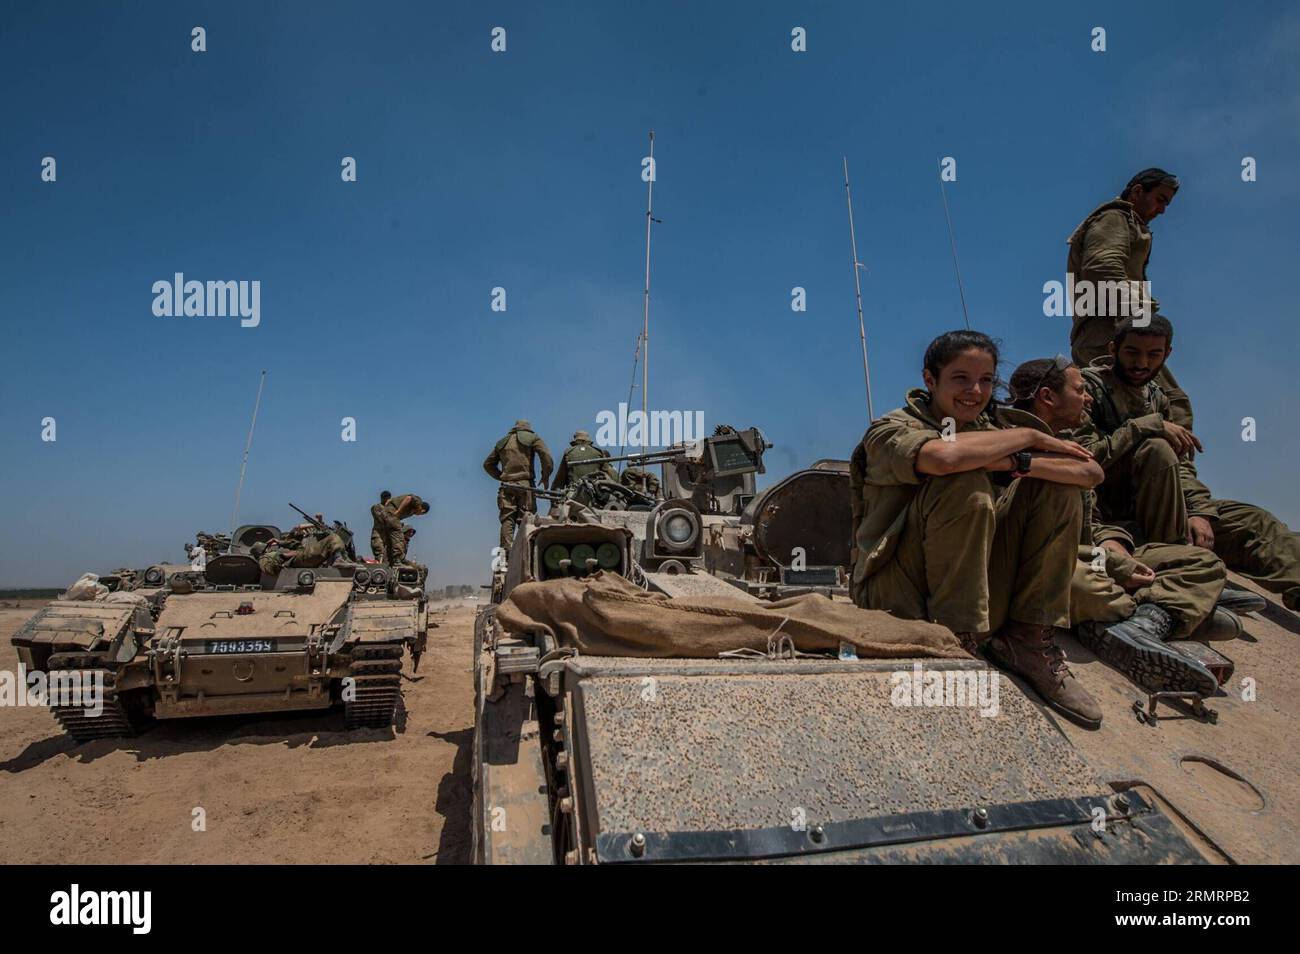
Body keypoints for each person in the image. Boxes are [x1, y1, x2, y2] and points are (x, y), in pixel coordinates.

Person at [850, 330, 1104, 728]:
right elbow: (944, 459)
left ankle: (1027, 638)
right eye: (960, 378)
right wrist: (1031, 437)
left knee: (1061, 489)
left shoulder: (994, 426)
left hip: (976, 584)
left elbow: (1089, 471)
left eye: (986, 380)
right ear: (930, 380)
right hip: (897, 592)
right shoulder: (891, 429)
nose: (975, 391)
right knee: (964, 484)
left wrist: (1018, 463)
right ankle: (954, 644)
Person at [1008, 357, 1236, 696]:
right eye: (1080, 390)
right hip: (1050, 564)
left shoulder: (1070, 438)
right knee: (1087, 587)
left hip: (1090, 554)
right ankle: (1163, 611)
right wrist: (1112, 563)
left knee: (1202, 563)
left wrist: (1113, 546)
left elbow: (1091, 519)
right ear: (1047, 397)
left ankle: (1146, 622)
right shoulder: (1013, 442)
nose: (1087, 398)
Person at [1074, 316, 1300, 612]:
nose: (1142, 363)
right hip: (1109, 512)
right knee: (1156, 450)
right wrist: (1144, 427)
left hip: (1161, 505)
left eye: (1153, 355)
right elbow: (1083, 456)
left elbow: (1180, 467)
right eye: (1132, 352)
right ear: (1114, 349)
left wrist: (1199, 511)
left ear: (1167, 355)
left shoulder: (1157, 396)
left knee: (1255, 522)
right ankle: (1177, 571)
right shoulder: (1086, 389)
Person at [1066, 167, 1192, 427]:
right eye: (1160, 199)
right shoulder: (1114, 218)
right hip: (1109, 333)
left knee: (1164, 405)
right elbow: (1103, 268)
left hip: (1119, 331)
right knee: (1160, 406)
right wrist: (1140, 320)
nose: (1162, 210)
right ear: (1137, 192)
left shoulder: (1128, 223)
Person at [483, 420, 553, 549]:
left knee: (507, 519)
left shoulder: (503, 442)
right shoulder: (533, 438)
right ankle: (526, 551)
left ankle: (506, 554)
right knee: (526, 519)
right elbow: (546, 457)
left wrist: (502, 477)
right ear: (528, 429)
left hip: (507, 486)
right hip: (525, 485)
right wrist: (545, 476)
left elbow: (487, 465)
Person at [551, 430, 617, 490]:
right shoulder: (598, 452)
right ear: (588, 441)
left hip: (574, 490)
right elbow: (608, 473)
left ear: (575, 441)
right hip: (594, 490)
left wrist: (554, 491)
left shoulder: (569, 452)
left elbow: (560, 479)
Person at [370, 490, 395, 561]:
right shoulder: (376, 507)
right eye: (386, 498)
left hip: (388, 537)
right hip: (378, 535)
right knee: (380, 554)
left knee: (388, 557)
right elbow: (381, 519)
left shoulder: (391, 508)